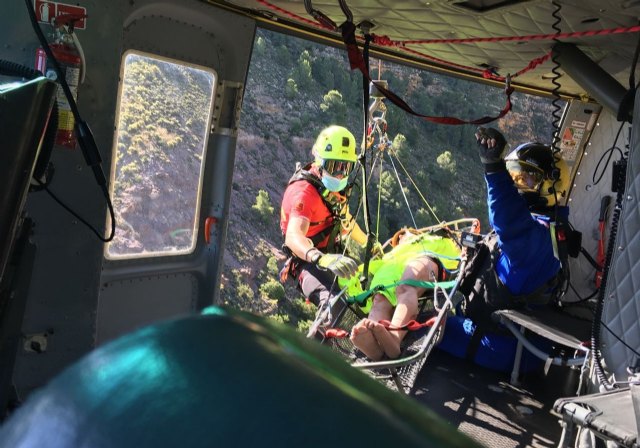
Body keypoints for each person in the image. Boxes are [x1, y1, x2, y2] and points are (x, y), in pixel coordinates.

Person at [460, 127, 573, 325]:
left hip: (494, 341)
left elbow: (510, 220)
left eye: (526, 178)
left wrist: (494, 169)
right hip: (496, 329)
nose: (516, 184)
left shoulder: (540, 238)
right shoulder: (548, 230)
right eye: (513, 176)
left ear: (551, 185)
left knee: (419, 331)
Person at [279, 125, 368, 308]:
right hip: (307, 261)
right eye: (334, 166)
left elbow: (345, 219)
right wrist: (320, 258)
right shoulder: (304, 193)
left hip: (333, 256)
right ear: (320, 163)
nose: (340, 174)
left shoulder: (333, 191)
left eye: (346, 167)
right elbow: (293, 236)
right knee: (334, 306)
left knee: (364, 300)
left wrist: (368, 244)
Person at [349, 229, 461, 360]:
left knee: (406, 285)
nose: (401, 237)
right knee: (379, 299)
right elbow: (369, 268)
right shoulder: (390, 256)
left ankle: (394, 338)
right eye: (398, 238)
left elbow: (454, 248)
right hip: (392, 266)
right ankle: (375, 345)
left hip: (423, 257)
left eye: (403, 234)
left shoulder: (430, 239)